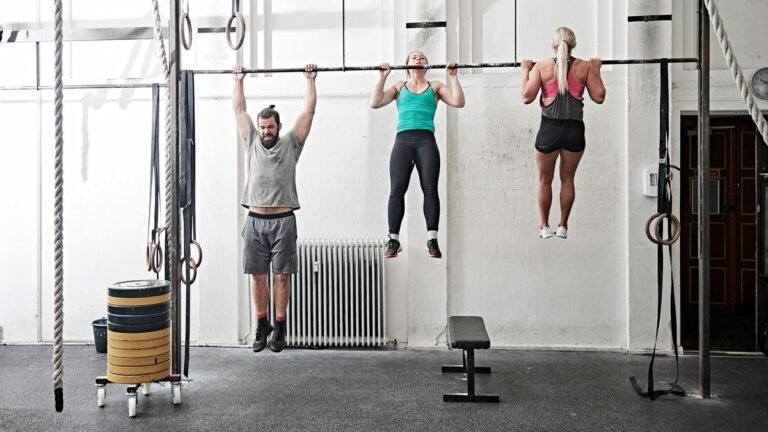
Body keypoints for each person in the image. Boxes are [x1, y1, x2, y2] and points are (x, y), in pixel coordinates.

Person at [232, 63, 317, 352]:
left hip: (283, 220)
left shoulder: (291, 143)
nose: (267, 131)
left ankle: (279, 327)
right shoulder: (252, 141)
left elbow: (308, 113)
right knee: (257, 276)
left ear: (279, 127)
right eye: (264, 126)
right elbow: (239, 111)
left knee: (282, 276)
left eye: (271, 127)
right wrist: (239, 80)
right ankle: (261, 324)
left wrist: (310, 80)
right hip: (255, 219)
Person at [370, 51, 465, 258]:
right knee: (396, 190)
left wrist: (453, 76)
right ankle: (393, 240)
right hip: (402, 141)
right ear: (407, 65)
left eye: (423, 57)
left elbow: (458, 102)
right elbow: (375, 102)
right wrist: (382, 77)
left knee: (430, 189)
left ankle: (432, 239)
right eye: (414, 57)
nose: (419, 58)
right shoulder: (398, 86)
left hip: (426, 142)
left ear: (427, 65)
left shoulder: (436, 86)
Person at [520, 26, 606, 239]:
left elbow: (526, 97)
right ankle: (563, 226)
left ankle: (544, 227)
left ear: (553, 45)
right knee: (568, 180)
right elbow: (600, 97)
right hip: (574, 131)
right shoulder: (585, 67)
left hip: (549, 130)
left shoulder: (541, 67)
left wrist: (525, 71)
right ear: (574, 45)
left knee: (544, 180)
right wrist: (596, 70)